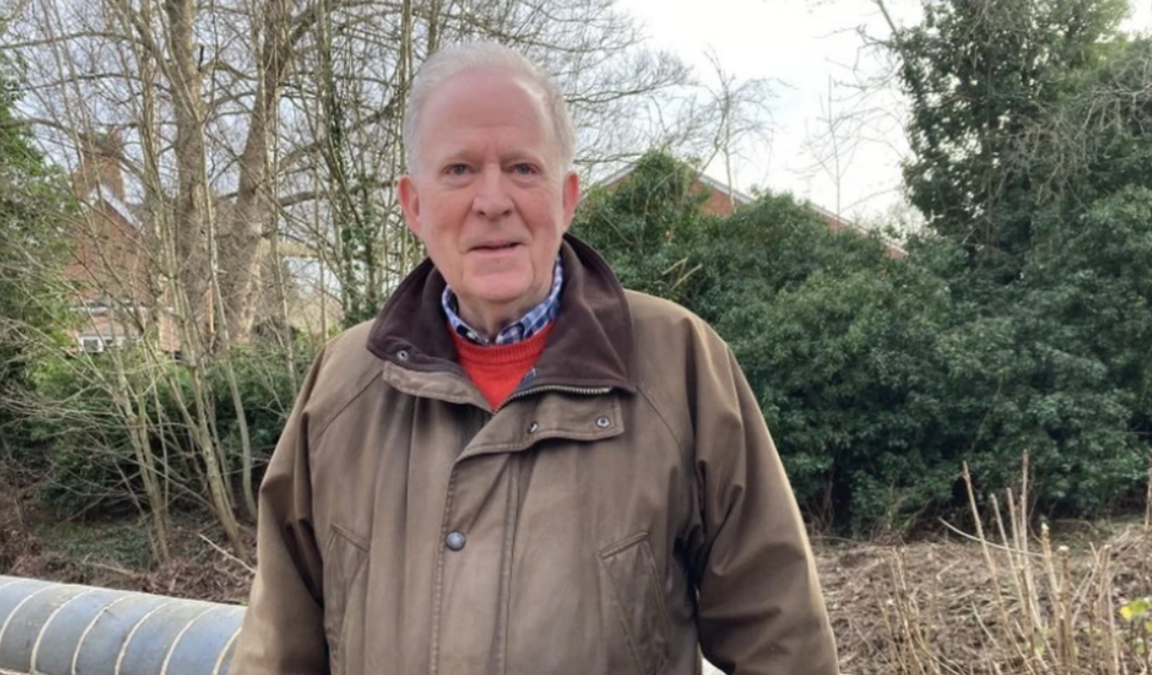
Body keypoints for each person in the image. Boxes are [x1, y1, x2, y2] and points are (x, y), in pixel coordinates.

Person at [231, 41, 838, 675]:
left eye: (522, 168)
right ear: (413, 203)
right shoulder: (340, 386)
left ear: (567, 196)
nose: (492, 200)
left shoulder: (680, 367)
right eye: (459, 170)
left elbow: (784, 644)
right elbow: (277, 650)